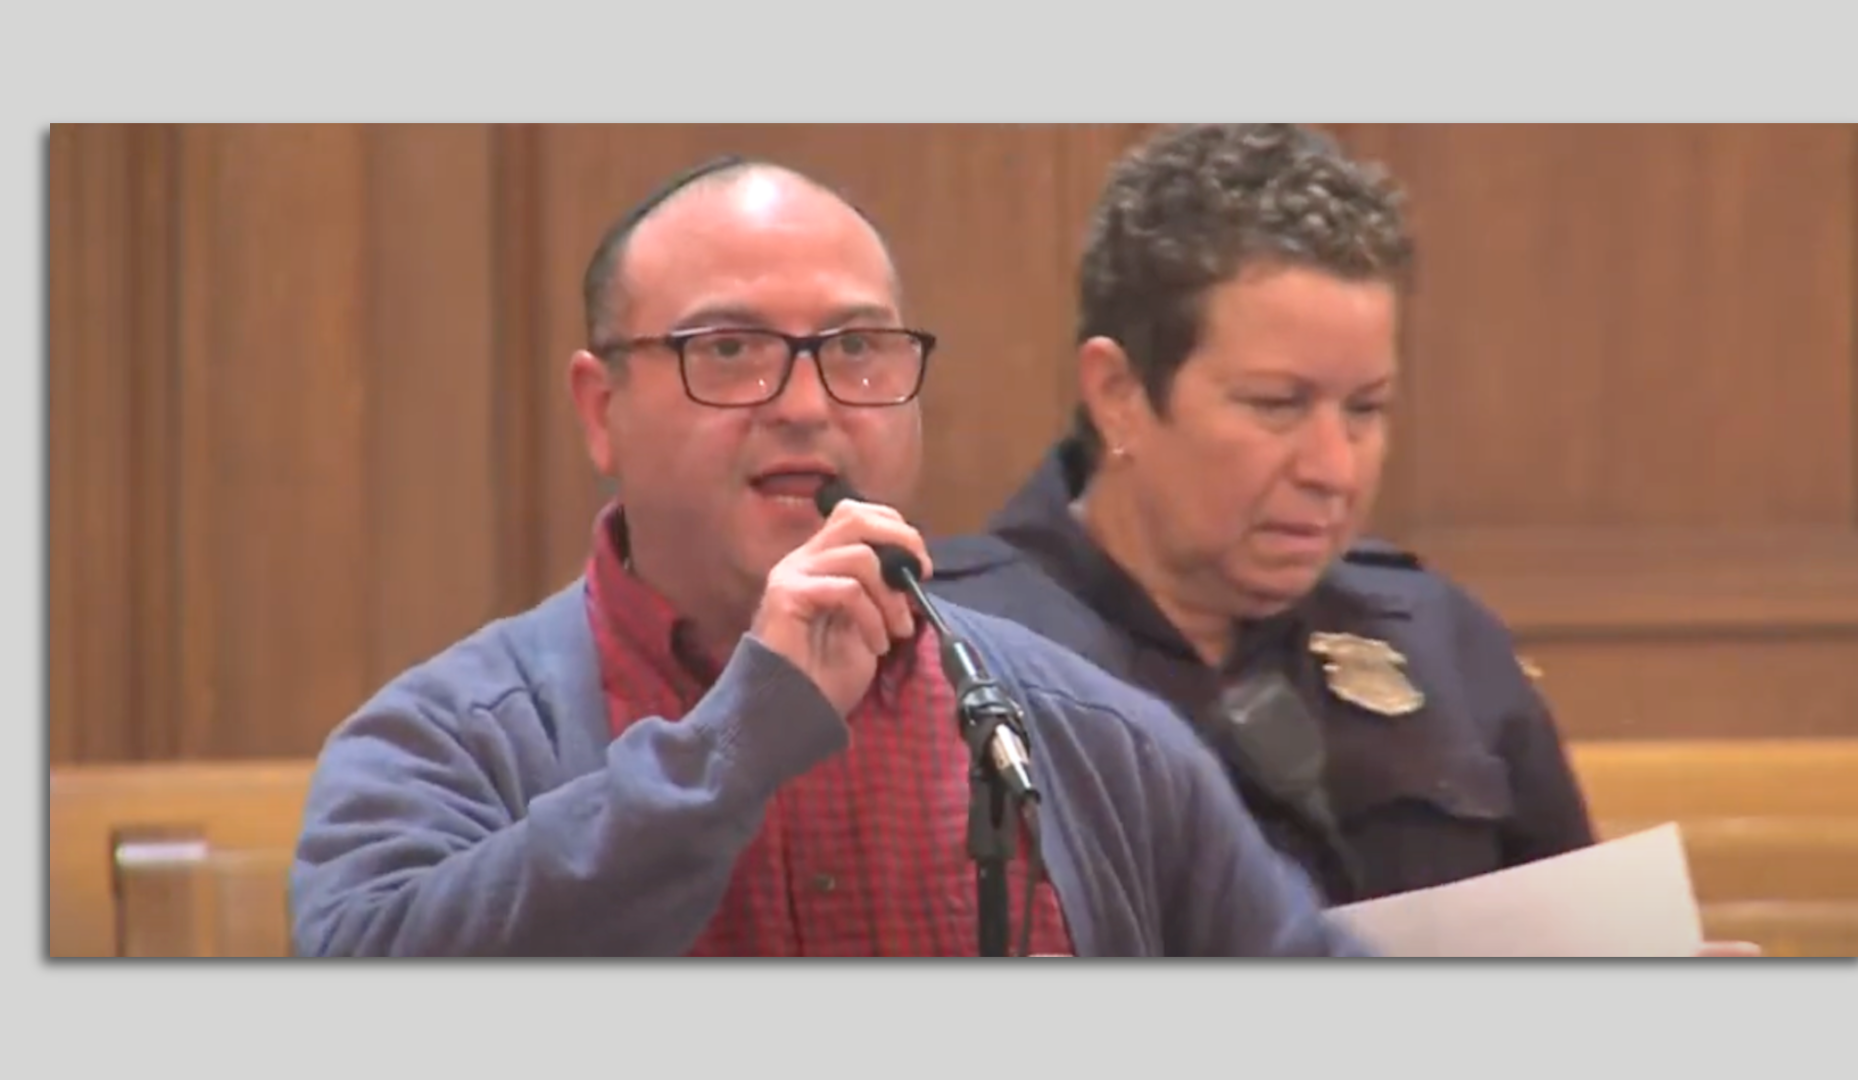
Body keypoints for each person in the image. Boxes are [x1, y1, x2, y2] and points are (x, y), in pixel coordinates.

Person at [287, 153, 1371, 958]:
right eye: (730, 352)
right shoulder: (449, 740)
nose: (806, 406)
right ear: (600, 408)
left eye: (856, 350)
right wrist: (739, 739)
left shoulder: (1085, 732)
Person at [924, 124, 1757, 955]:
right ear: (1118, 394)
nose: (1333, 468)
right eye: (1276, 405)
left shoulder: (1441, 642)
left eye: (1365, 410)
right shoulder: (960, 658)